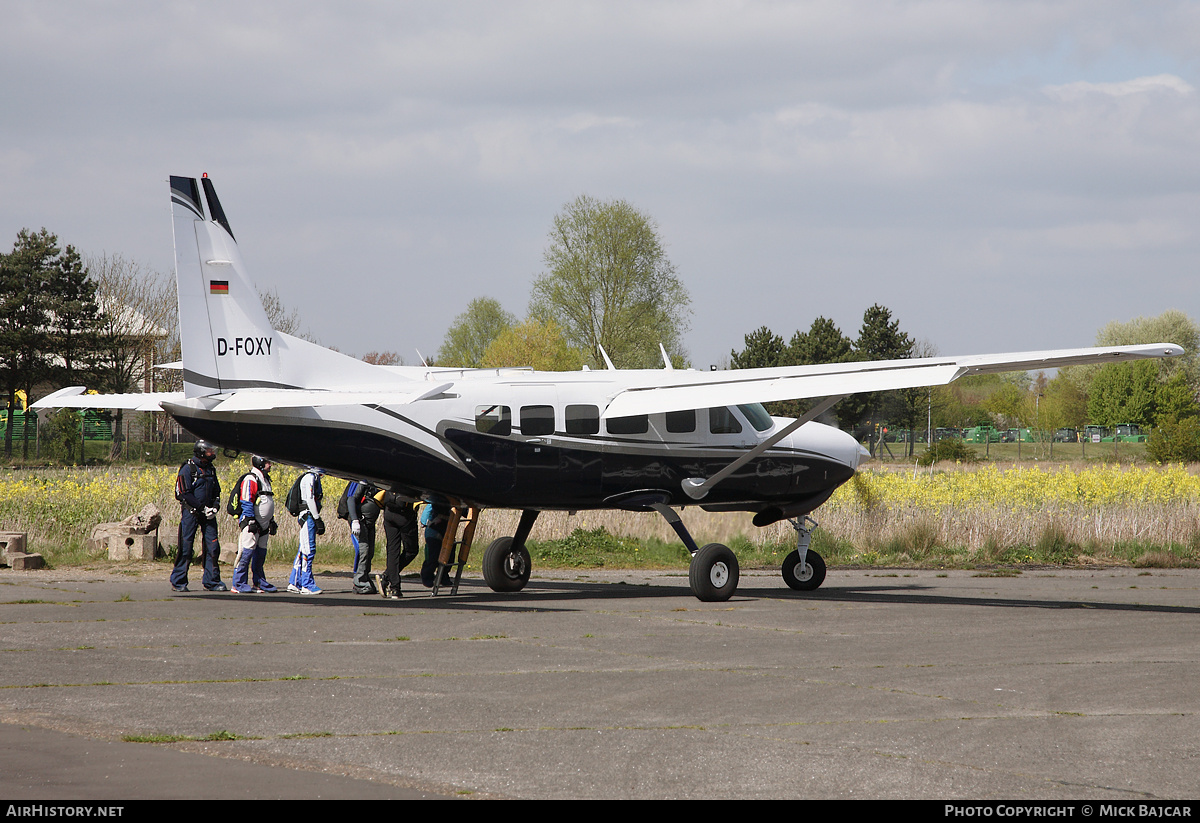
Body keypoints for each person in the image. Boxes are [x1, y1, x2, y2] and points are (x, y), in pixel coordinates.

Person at [172, 440, 226, 592]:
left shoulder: (211, 469)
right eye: (210, 451)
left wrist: (215, 507)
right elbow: (183, 493)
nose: (213, 453)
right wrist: (201, 507)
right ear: (202, 452)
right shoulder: (188, 469)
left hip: (209, 515)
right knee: (186, 547)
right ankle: (179, 581)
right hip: (191, 513)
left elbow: (216, 491)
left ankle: (212, 581)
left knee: (213, 547)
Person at [231, 455, 278, 594]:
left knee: (261, 553)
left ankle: (259, 582)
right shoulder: (251, 478)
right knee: (246, 552)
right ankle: (238, 583)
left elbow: (266, 501)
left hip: (264, 524)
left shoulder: (265, 479)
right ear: (260, 462)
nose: (270, 465)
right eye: (268, 462)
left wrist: (271, 520)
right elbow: (247, 500)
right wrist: (250, 520)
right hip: (252, 523)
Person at [288, 467, 325, 595]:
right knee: (309, 550)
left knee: (303, 549)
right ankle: (307, 584)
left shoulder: (312, 477)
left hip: (307, 516)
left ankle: (295, 581)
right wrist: (317, 518)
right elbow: (309, 499)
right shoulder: (310, 477)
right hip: (308, 516)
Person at [379, 491, 420, 599]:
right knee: (411, 551)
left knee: (392, 551)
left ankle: (395, 588)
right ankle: (387, 577)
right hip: (404, 514)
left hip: (389, 512)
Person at [346, 479, 381, 595]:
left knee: (370, 552)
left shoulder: (377, 484)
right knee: (364, 550)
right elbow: (351, 499)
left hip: (369, 523)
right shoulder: (364, 482)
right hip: (361, 522)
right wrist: (355, 520)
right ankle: (359, 581)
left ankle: (364, 578)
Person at [419, 502, 454, 588]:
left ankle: (443, 576)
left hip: (446, 528)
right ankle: (427, 577)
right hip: (434, 528)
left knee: (450, 555)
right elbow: (427, 512)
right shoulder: (435, 500)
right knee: (433, 556)